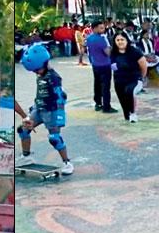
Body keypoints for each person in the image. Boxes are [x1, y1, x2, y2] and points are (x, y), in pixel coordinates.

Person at [15, 43, 73, 174]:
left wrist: (59, 115)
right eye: (34, 71)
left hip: (52, 111)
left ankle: (67, 163)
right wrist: (32, 111)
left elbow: (60, 97)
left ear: (45, 63)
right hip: (39, 109)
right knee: (23, 130)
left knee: (54, 138)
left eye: (37, 70)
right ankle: (26, 157)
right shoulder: (40, 74)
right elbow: (40, 92)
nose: (36, 72)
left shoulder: (54, 78)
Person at [110, 32, 147, 123]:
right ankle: (127, 115)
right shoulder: (113, 53)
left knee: (129, 92)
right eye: (117, 40)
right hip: (119, 80)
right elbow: (113, 66)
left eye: (122, 40)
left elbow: (143, 65)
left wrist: (141, 77)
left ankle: (133, 113)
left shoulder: (135, 52)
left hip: (133, 79)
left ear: (127, 40)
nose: (120, 42)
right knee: (122, 98)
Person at [85, 21, 117, 113]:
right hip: (104, 65)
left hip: (95, 64)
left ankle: (98, 103)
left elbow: (87, 50)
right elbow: (108, 53)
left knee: (97, 84)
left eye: (103, 28)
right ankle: (106, 106)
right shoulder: (101, 39)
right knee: (106, 86)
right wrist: (110, 48)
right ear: (94, 28)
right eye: (101, 28)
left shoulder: (89, 38)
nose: (103, 30)